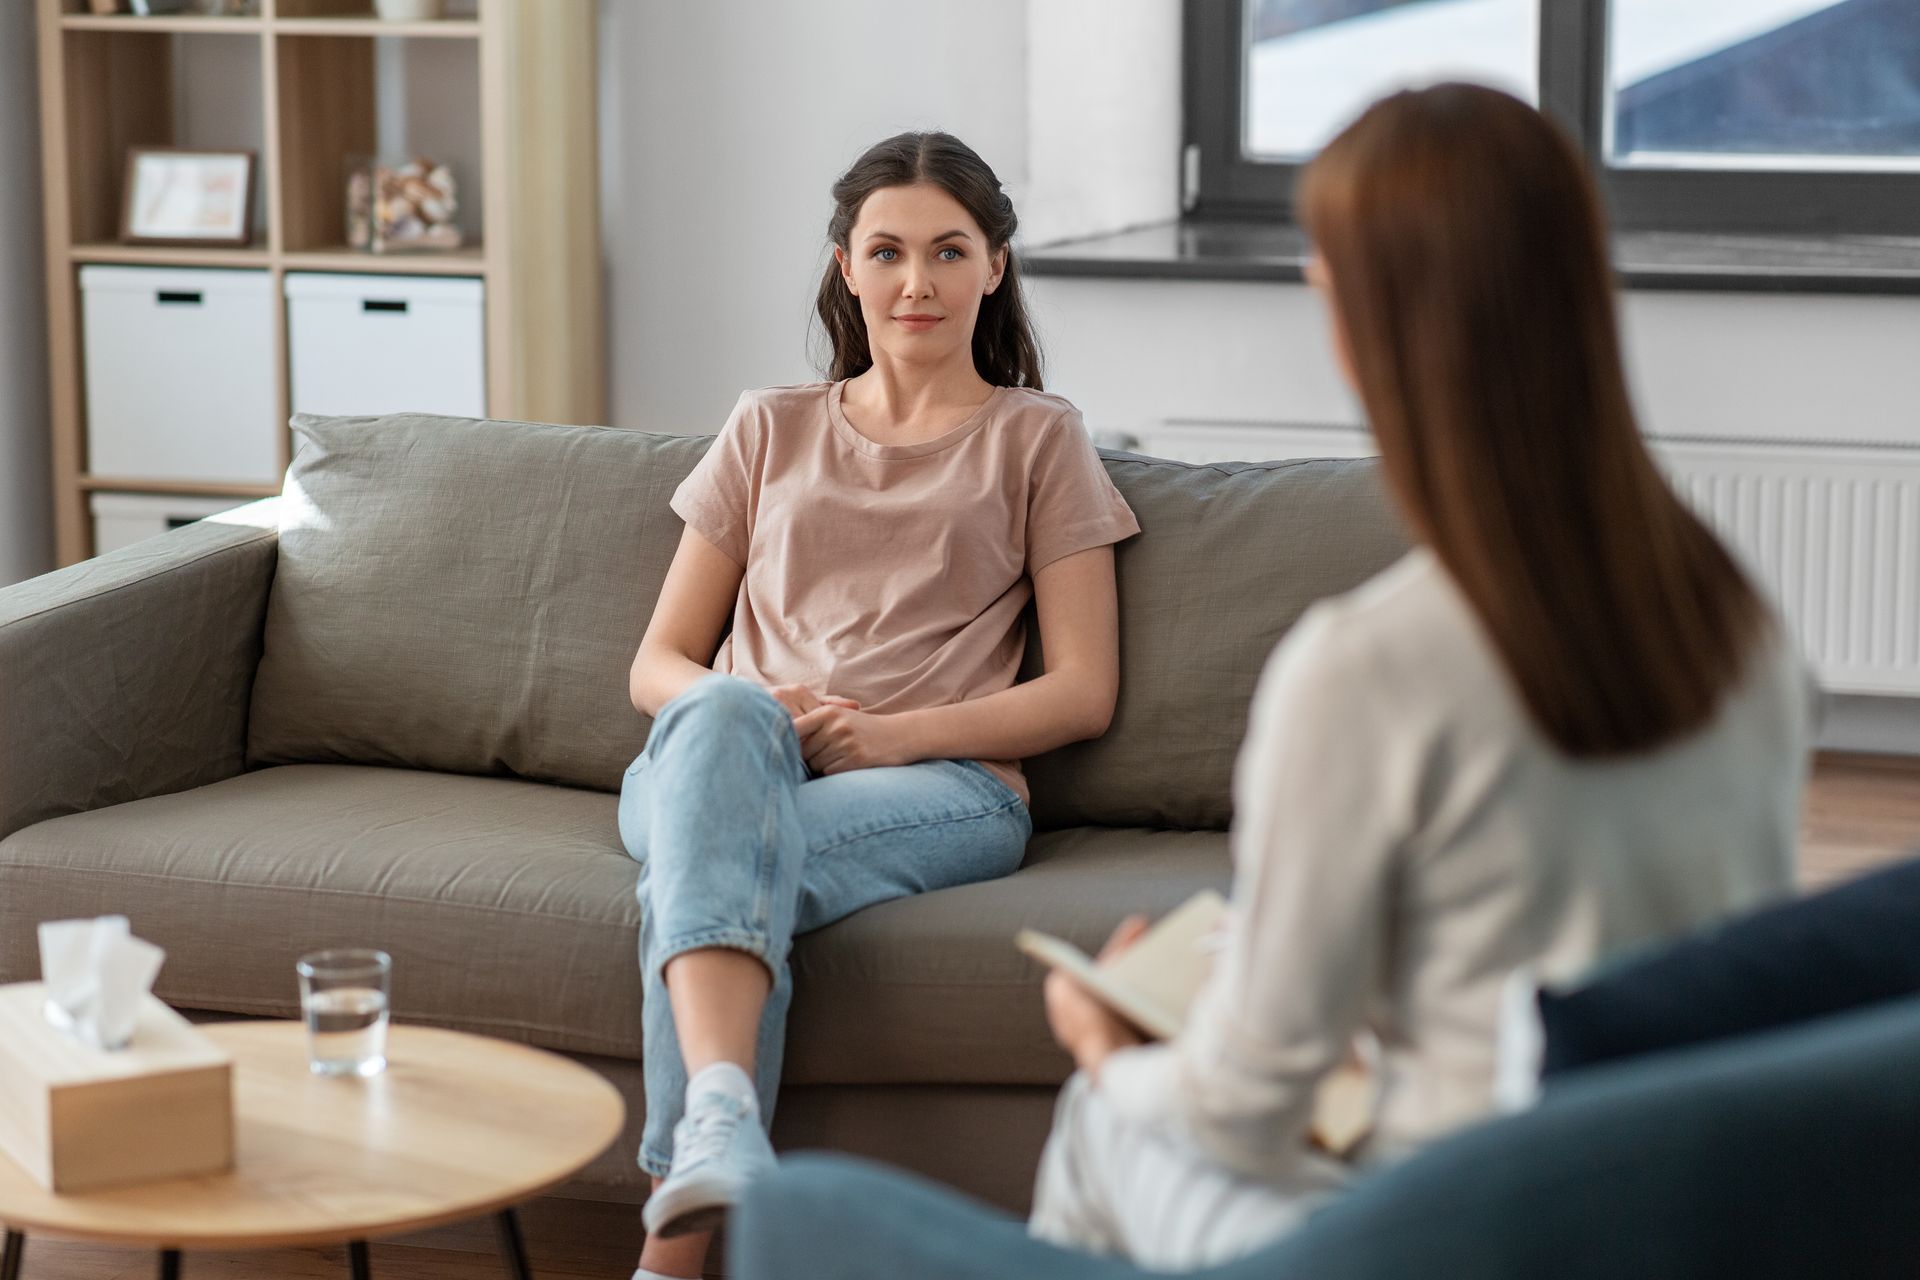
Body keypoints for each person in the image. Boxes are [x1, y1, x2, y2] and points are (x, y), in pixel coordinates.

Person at [1029, 84, 1810, 1271]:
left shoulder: (1366, 670)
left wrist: (1113, 1048)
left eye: (1327, 291)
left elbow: (1240, 1107)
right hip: (1672, 1212)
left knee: (1105, 1121)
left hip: (1448, 1231)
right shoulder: (1737, 618)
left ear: (1373, 331)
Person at [619, 130, 1140, 1280]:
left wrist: (883, 733)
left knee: (699, 876)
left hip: (938, 785)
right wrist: (754, 711)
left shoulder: (1037, 436)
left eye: (949, 251)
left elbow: (1082, 690)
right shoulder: (768, 424)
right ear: (845, 265)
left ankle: (671, 1247)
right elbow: (659, 662)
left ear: (995, 266)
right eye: (889, 251)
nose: (918, 282)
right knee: (721, 724)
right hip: (730, 757)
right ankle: (719, 1118)